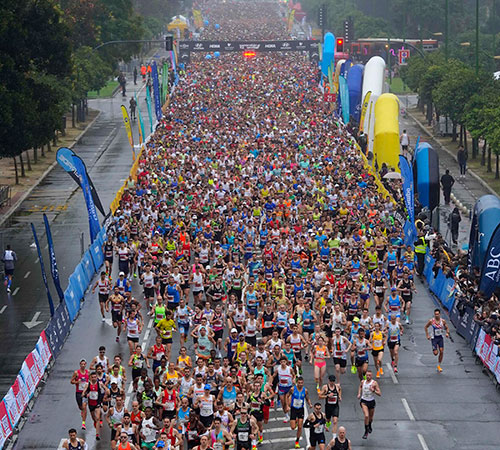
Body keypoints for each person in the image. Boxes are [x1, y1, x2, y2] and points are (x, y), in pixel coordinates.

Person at [287, 376, 313, 448]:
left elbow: (307, 398)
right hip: (293, 409)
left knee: (300, 426)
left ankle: (297, 441)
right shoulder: (292, 389)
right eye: (299, 383)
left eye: (301, 383)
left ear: (303, 383)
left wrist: (310, 404)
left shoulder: (305, 390)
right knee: (292, 427)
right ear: (296, 383)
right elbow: (287, 395)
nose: (300, 384)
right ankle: (295, 420)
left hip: (300, 409)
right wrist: (287, 405)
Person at [357, 370, 381, 440]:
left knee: (371, 418)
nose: (368, 376)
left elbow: (379, 393)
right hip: (364, 401)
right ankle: (366, 431)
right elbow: (360, 387)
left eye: (369, 375)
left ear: (371, 376)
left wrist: (373, 390)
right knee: (366, 416)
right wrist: (359, 393)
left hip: (371, 401)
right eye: (367, 375)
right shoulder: (363, 382)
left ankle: (369, 425)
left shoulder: (374, 383)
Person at [70, 359, 89, 429]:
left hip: (85, 392)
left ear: (86, 364)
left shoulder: (88, 372)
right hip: (78, 392)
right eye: (82, 364)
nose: (83, 365)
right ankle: (82, 411)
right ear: (80, 365)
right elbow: (71, 381)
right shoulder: (76, 373)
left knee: (84, 407)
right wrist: (77, 382)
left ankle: (83, 423)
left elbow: (90, 381)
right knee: (80, 407)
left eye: (84, 364)